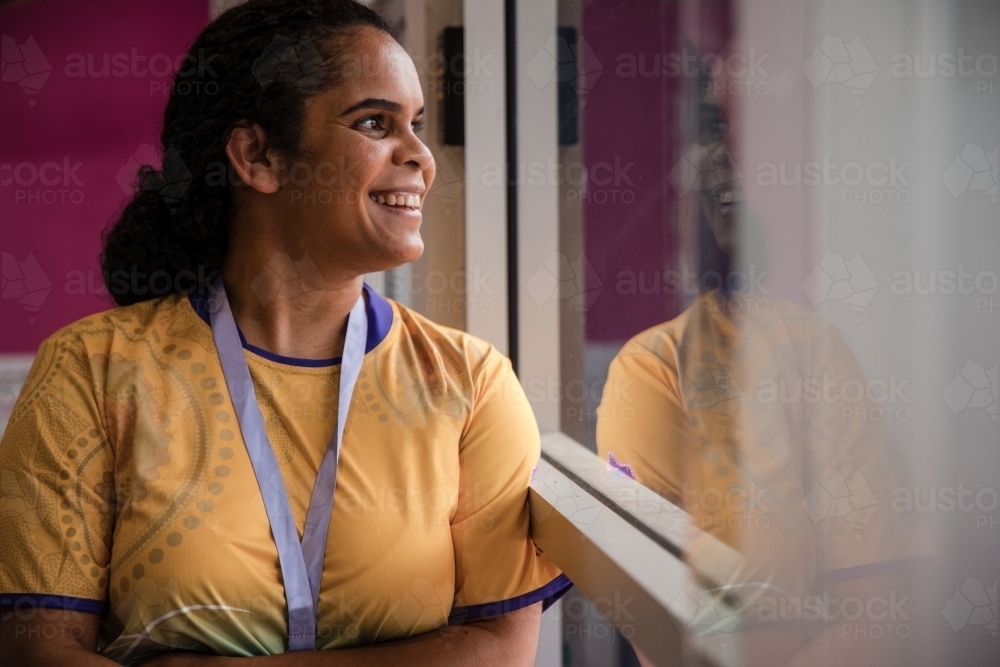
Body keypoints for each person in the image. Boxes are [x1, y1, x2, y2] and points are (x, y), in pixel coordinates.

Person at [0, 1, 569, 665]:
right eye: (375, 123)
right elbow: (37, 652)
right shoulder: (90, 369)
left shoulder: (469, 383)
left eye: (415, 125)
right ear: (258, 154)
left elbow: (498, 653)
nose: (420, 156)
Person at [596, 99, 918, 666]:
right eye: (714, 130)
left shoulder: (816, 348)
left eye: (746, 136)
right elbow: (672, 625)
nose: (725, 161)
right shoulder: (657, 365)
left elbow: (877, 610)